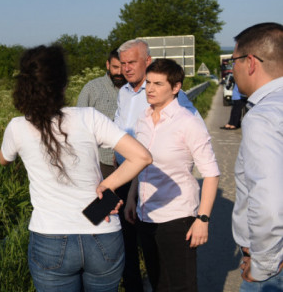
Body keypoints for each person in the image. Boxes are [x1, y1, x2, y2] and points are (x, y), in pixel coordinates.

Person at [0, 44, 152, 292]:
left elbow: (4, 160)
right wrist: (107, 184)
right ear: (63, 84)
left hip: (50, 238)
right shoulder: (89, 117)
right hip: (101, 231)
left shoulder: (17, 127)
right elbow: (142, 157)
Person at [124, 59, 220, 291]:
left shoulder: (188, 123)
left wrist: (202, 219)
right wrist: (131, 198)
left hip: (177, 219)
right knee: (158, 284)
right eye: (148, 82)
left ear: (176, 87)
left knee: (182, 286)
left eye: (158, 83)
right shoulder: (142, 120)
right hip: (146, 215)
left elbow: (211, 173)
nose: (150, 89)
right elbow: (139, 163)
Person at [113, 39, 199, 291]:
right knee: (129, 244)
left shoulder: (172, 95)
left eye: (132, 62)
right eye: (123, 63)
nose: (126, 68)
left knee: (169, 258)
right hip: (127, 178)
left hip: (159, 182)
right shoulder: (124, 93)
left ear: (147, 61)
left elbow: (192, 138)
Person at [230, 22, 283, 290]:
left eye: (234, 60)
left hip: (274, 264)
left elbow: (268, 202)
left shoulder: (263, 117)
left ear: (250, 62)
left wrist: (263, 266)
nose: (232, 68)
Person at [76, 49, 128, 179]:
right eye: (115, 67)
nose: (119, 72)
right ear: (107, 65)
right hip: (102, 162)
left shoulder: (135, 89)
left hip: (132, 160)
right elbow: (79, 124)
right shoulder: (92, 88)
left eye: (123, 68)